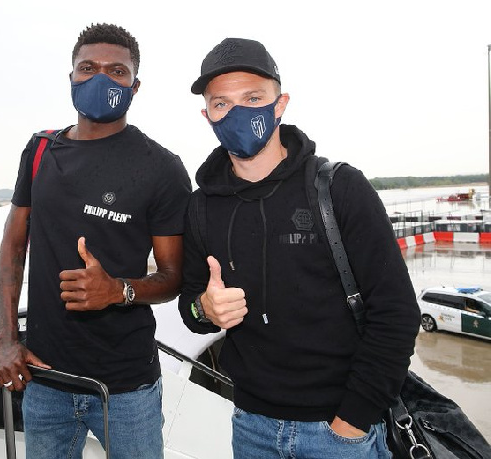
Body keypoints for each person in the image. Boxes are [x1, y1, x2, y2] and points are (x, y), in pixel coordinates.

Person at [178, 37, 421, 459]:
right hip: (251, 426)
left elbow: (397, 313)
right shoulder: (200, 208)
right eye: (222, 104)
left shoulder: (339, 187)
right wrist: (206, 308)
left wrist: (351, 421)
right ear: (207, 115)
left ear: (280, 103)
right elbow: (191, 309)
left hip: (342, 431)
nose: (237, 112)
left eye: (253, 97)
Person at [0, 23, 191, 459]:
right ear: (71, 78)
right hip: (45, 378)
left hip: (126, 387)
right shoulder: (40, 149)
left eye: (116, 71)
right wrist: (6, 338)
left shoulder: (161, 167)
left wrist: (117, 291)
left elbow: (174, 276)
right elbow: (13, 248)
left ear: (135, 86)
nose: (100, 78)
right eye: (88, 68)